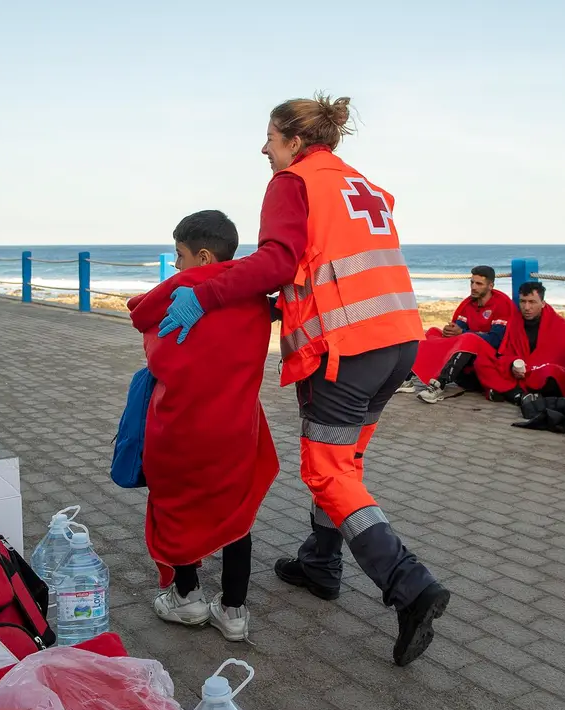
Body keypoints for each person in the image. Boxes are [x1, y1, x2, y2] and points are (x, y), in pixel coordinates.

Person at [156, 94, 448, 666]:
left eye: (269, 136)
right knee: (347, 464)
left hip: (346, 349)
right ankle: (320, 564)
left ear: (294, 141)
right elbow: (330, 266)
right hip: (399, 341)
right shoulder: (359, 184)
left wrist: (207, 291)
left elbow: (279, 262)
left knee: (326, 470)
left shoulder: (293, 182)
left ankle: (410, 585)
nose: (263, 147)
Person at [127, 210, 279, 641]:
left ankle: (187, 597)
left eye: (179, 255)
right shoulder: (253, 297)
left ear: (204, 256)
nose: (175, 266)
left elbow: (148, 329)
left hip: (180, 426)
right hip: (235, 427)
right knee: (236, 511)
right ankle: (233, 611)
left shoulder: (181, 290)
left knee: (177, 505)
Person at [410, 266, 513, 403]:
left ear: (490, 286)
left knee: (469, 338)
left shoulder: (500, 305)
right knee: (433, 332)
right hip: (466, 357)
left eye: (479, 284)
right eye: (472, 282)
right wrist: (450, 330)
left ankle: (439, 385)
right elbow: (459, 328)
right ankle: (407, 379)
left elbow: (496, 340)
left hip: (487, 362)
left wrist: (463, 333)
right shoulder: (469, 304)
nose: (473, 287)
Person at [474, 282, 565, 404]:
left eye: (532, 302)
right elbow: (505, 353)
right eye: (523, 301)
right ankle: (518, 395)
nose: (526, 307)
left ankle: (510, 392)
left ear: (543, 303)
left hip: (540, 372)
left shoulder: (559, 324)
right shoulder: (515, 321)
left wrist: (532, 367)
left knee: (552, 372)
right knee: (482, 362)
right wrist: (512, 364)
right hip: (518, 372)